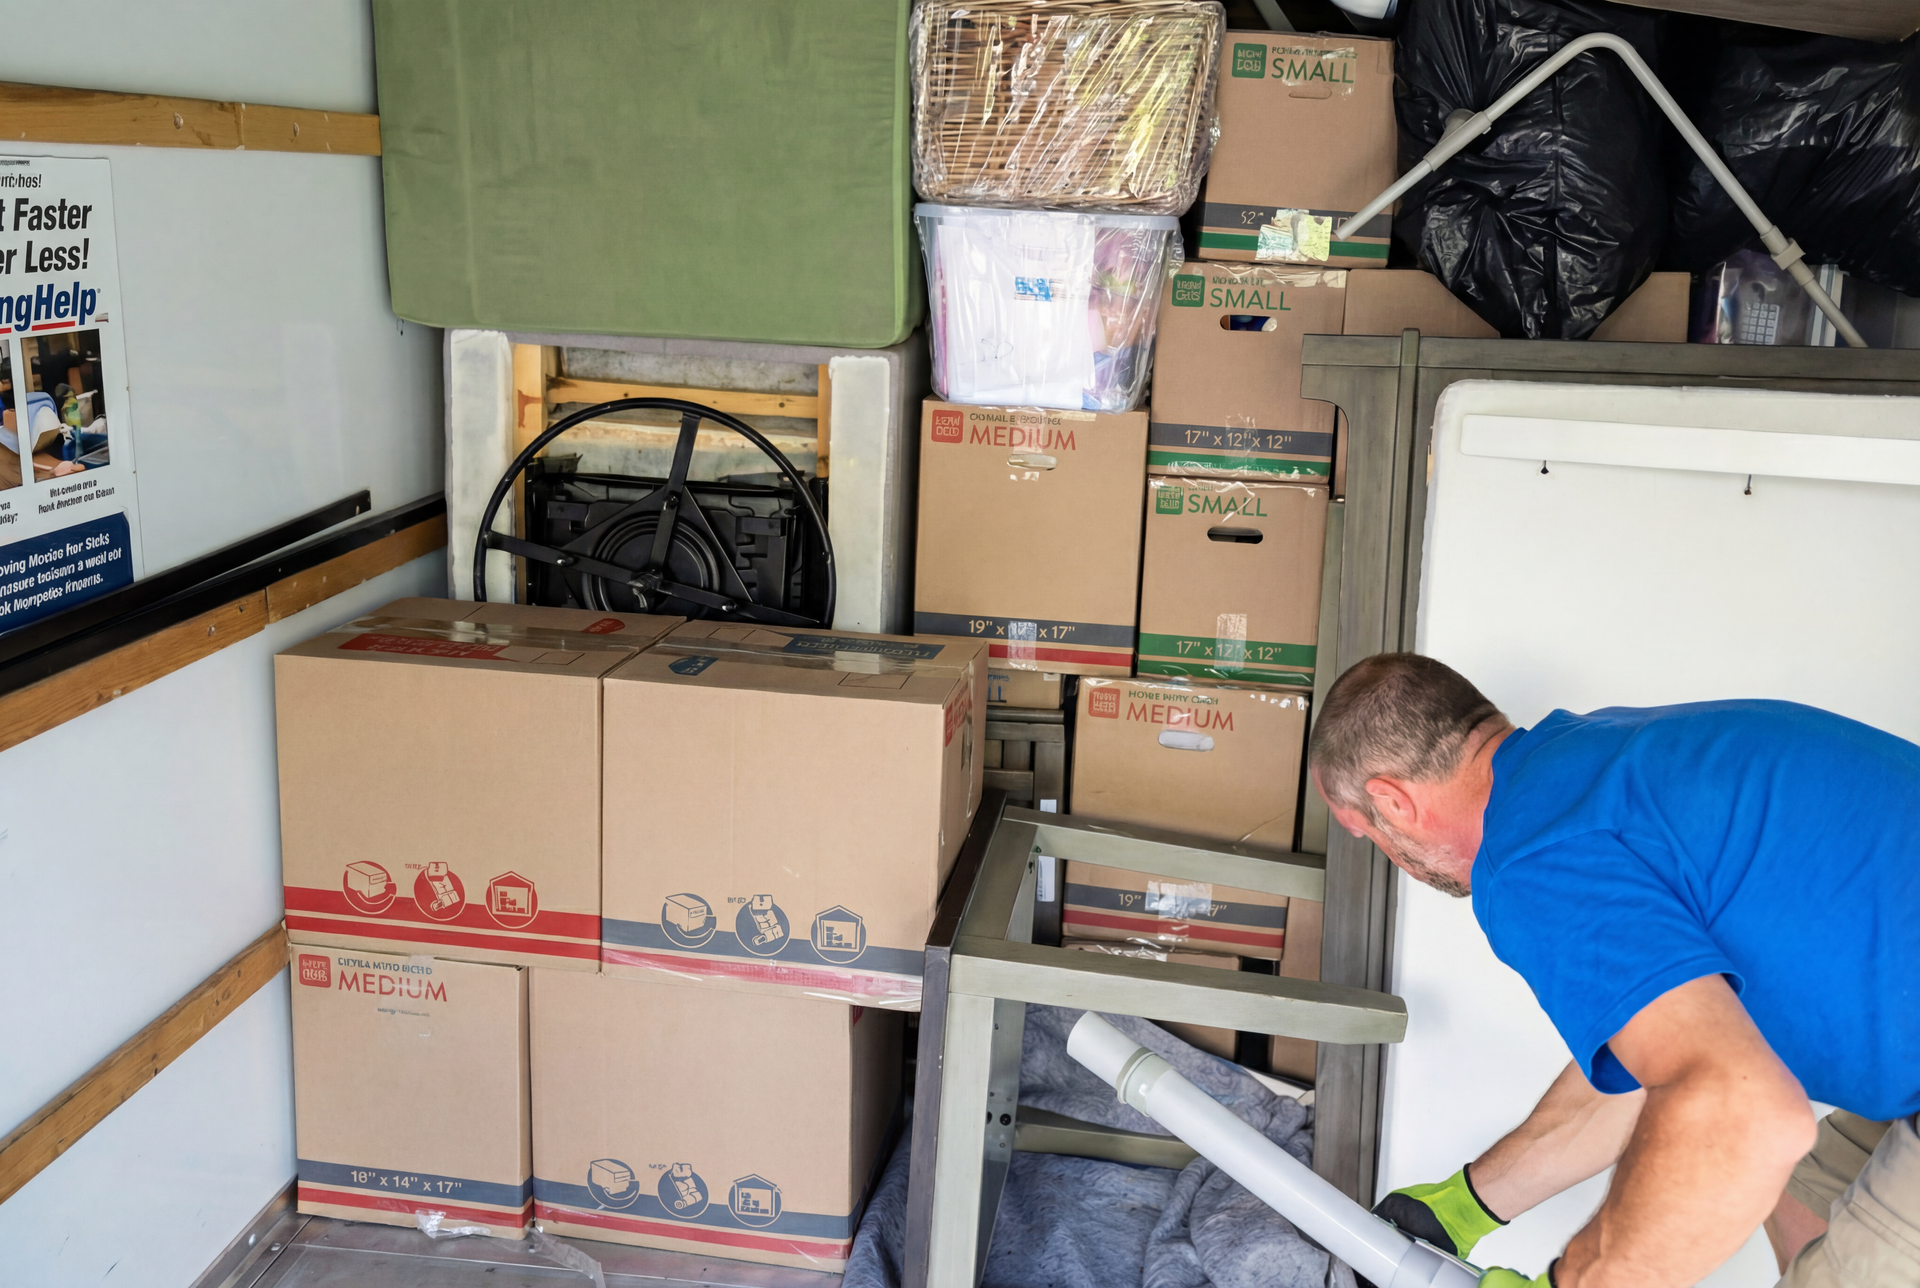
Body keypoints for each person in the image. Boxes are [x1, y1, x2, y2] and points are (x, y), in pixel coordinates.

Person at [1307, 653, 1920, 1288]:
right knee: (1803, 1197)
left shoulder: (1530, 854)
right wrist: (1466, 1205)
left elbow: (1738, 1111)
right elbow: (1668, 1052)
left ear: (1392, 801)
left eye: (1367, 832)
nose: (1388, 856)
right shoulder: (1590, 765)